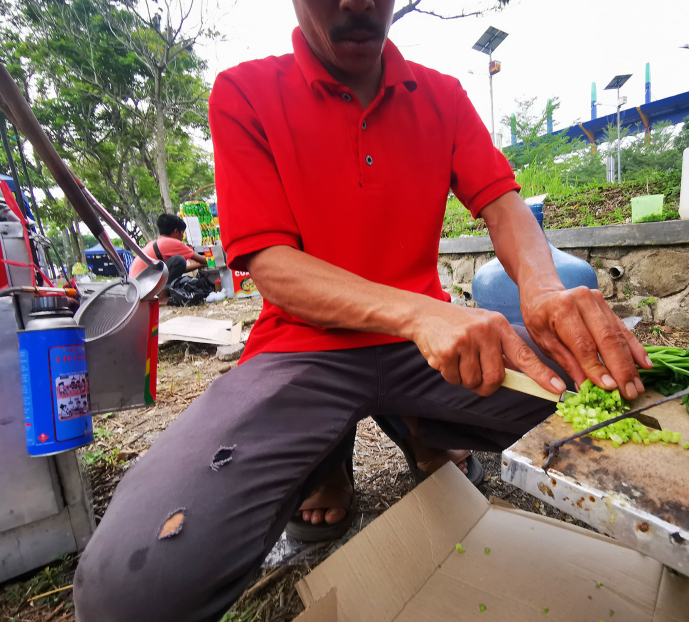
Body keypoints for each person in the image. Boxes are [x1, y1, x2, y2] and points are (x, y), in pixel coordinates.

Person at [74, 2, 651, 619]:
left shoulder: (443, 96)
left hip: (427, 353)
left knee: (629, 389)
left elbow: (503, 203)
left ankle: (421, 426)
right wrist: (416, 314)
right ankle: (331, 454)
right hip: (302, 352)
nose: (354, 4)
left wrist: (541, 290)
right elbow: (269, 261)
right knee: (124, 595)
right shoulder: (244, 91)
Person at [128, 213, 207, 289]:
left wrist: (201, 265)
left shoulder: (155, 242)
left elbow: (179, 269)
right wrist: (214, 257)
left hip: (135, 286)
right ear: (176, 231)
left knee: (179, 262)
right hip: (143, 286)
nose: (183, 236)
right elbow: (205, 260)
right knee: (179, 260)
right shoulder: (173, 242)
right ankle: (162, 296)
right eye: (182, 232)